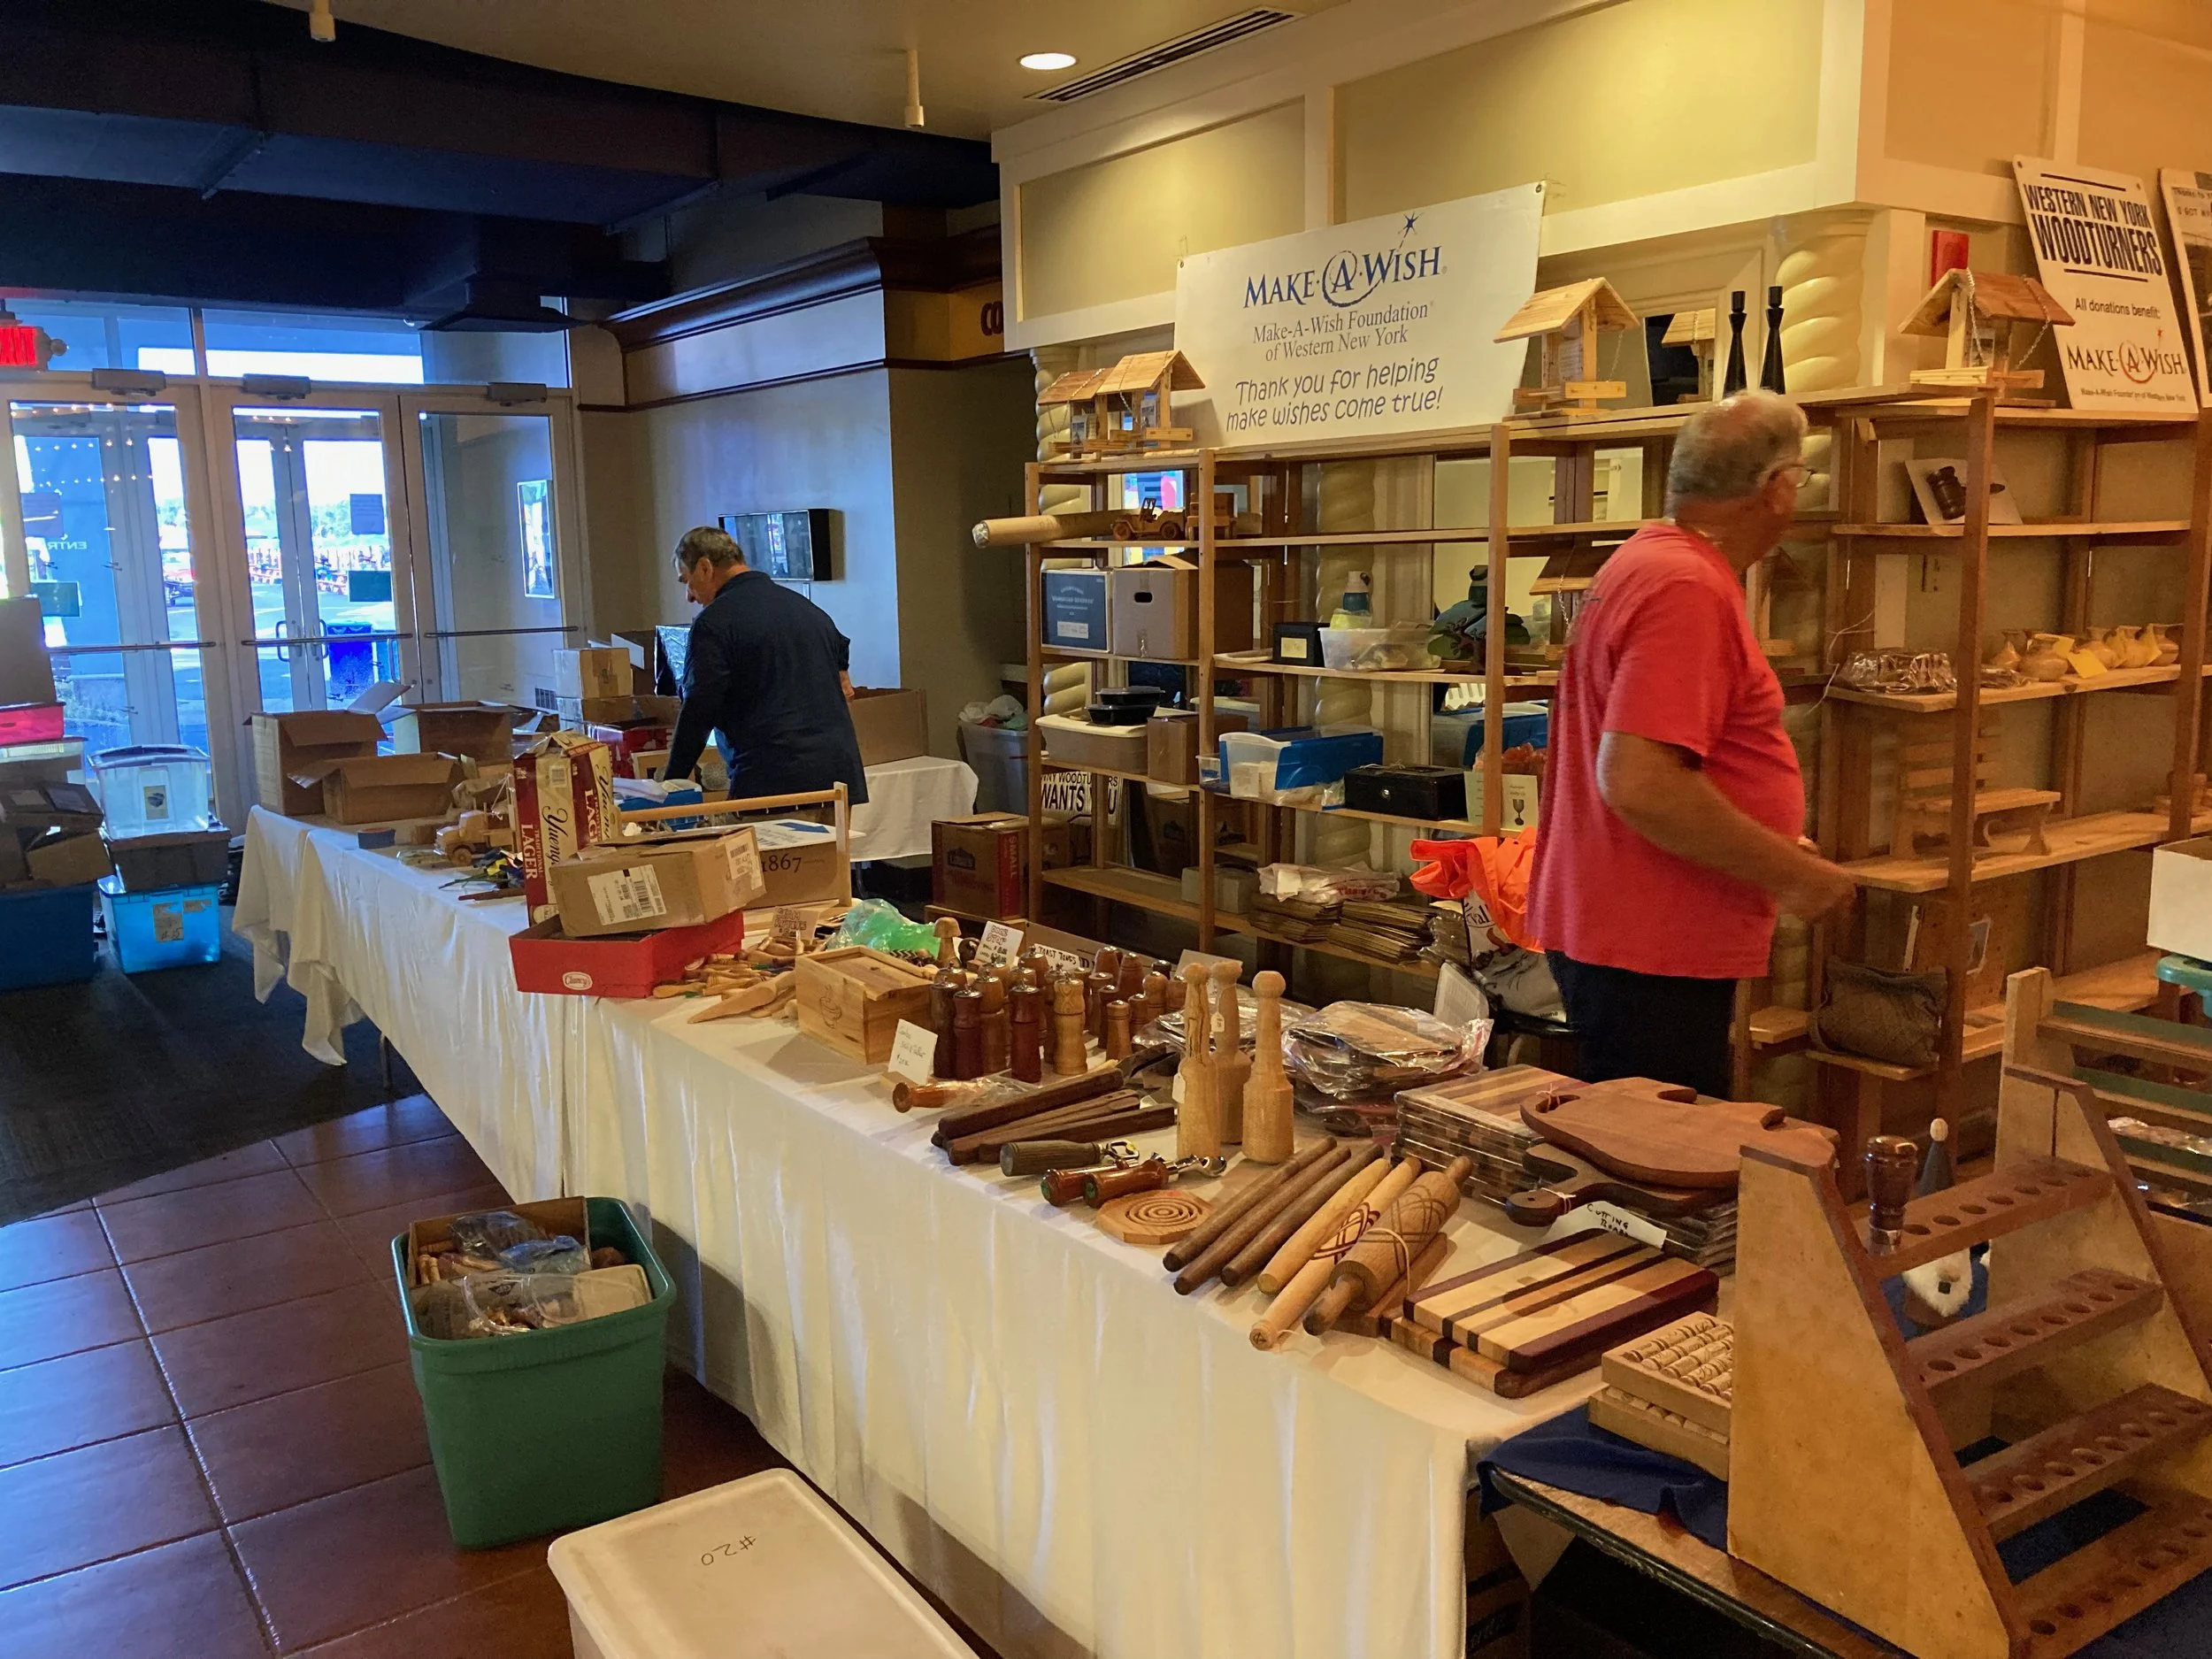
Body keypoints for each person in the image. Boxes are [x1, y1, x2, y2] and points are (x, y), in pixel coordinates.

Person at [1526, 390, 1855, 1098]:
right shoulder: (1687, 586)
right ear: (1778, 487)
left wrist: (1762, 840)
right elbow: (1642, 782)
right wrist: (1791, 876)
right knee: (1660, 1148)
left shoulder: (1648, 562)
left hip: (1630, 926)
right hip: (1651, 941)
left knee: (1649, 1132)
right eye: (1800, 477)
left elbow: (1667, 757)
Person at [662, 526, 870, 806]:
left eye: (686, 581)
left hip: (773, 781)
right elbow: (840, 651)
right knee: (831, 839)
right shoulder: (807, 609)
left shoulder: (715, 623)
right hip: (838, 778)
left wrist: (670, 785)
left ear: (705, 567)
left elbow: (699, 709)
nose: (689, 596)